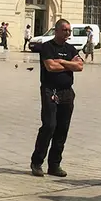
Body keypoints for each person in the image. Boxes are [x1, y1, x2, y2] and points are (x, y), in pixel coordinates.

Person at [29, 18, 83, 178]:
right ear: (57, 30)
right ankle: (37, 162)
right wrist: (68, 64)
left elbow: (79, 67)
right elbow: (50, 67)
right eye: (65, 30)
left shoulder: (71, 49)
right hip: (50, 91)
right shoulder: (47, 47)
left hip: (67, 92)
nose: (68, 33)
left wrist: (61, 61)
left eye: (69, 30)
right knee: (49, 126)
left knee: (62, 129)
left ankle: (54, 164)